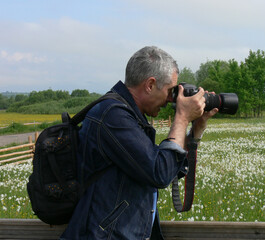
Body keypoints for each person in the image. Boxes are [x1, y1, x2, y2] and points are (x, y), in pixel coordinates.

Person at [60, 46, 218, 239]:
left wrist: (196, 130)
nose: (171, 99)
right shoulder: (113, 116)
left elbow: (167, 169)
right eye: (170, 90)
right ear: (150, 84)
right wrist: (182, 118)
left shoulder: (127, 115)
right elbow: (158, 172)